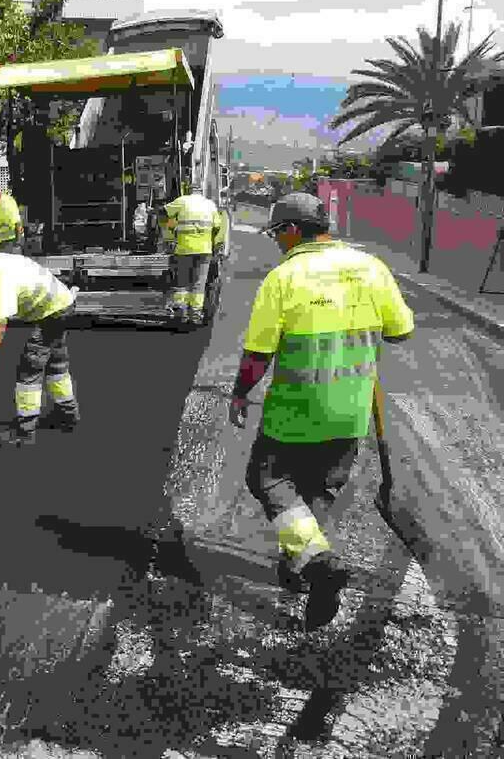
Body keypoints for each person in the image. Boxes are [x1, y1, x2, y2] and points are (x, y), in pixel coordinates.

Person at [229, 192, 414, 631]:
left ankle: (318, 565)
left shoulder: (285, 277)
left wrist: (239, 394)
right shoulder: (372, 267)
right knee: (318, 490)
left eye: (277, 234)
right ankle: (297, 566)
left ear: (293, 230)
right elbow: (401, 331)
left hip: (295, 411)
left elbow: (259, 353)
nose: (276, 242)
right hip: (350, 412)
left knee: (267, 479)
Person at [0, 246, 79, 447]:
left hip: (52, 312)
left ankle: (25, 432)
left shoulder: (1, 278)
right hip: (63, 304)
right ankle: (68, 415)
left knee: (29, 369)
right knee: (56, 365)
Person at [162, 180, 227, 326]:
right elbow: (217, 226)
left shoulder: (182, 201)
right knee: (199, 283)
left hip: (184, 250)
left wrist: (170, 230)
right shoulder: (210, 204)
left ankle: (181, 313)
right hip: (204, 250)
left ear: (188, 190)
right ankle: (196, 314)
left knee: (183, 282)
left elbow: (164, 212)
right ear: (201, 191)